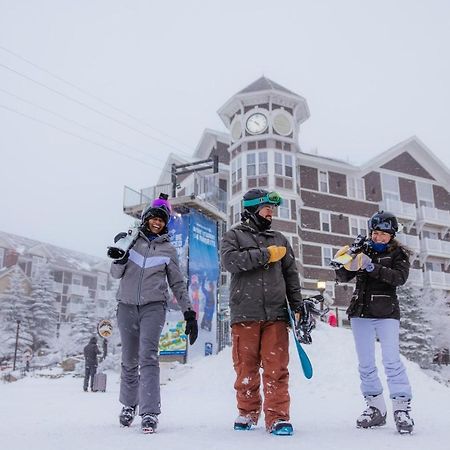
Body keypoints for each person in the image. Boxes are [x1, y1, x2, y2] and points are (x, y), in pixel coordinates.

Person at [110, 194, 198, 434]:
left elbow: (178, 284)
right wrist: (120, 257)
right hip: (126, 306)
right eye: (154, 218)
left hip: (153, 307)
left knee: (148, 356)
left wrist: (189, 312)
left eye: (162, 220)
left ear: (165, 223)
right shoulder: (130, 241)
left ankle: (149, 412)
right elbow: (115, 274)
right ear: (147, 218)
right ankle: (129, 405)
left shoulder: (168, 250)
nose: (157, 223)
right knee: (129, 359)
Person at [220, 189, 303, 436]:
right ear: (252, 208)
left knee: (276, 368)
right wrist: (265, 255)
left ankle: (278, 417)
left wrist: (297, 305)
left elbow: (291, 275)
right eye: (267, 207)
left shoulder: (279, 238)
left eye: (272, 208)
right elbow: (230, 262)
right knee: (245, 367)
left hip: (276, 314)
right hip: (245, 312)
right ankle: (247, 412)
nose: (271, 212)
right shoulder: (233, 236)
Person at [333, 210, 414, 434]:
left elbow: (399, 278)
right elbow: (342, 277)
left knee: (391, 361)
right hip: (361, 312)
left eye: (383, 234)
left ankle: (401, 408)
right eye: (375, 233)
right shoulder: (362, 249)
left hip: (387, 312)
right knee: (366, 364)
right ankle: (375, 408)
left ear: (392, 235)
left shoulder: (399, 254)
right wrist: (346, 260)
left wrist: (371, 266)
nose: (378, 238)